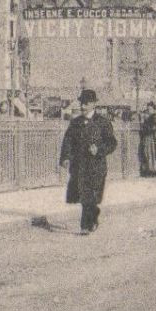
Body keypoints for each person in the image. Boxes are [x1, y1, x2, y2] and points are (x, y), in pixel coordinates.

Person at [59, 88, 118, 234]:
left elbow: (112, 143)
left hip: (97, 166)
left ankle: (91, 218)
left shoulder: (103, 123)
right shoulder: (75, 123)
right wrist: (65, 158)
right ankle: (86, 224)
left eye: (86, 104)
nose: (82, 107)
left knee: (92, 197)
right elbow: (67, 141)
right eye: (81, 103)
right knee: (85, 196)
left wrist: (99, 149)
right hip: (79, 166)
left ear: (93, 104)